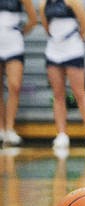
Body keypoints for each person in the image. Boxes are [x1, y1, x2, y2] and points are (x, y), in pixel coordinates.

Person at [39, 0, 85, 148]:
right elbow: (46, 26)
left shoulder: (73, 2)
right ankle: (61, 134)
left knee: (79, 92)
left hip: (73, 49)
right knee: (58, 94)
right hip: (53, 50)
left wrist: (76, 41)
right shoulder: (43, 4)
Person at [0, 0, 36, 146]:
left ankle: (10, 128)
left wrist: (19, 33)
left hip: (13, 44)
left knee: (14, 86)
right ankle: (1, 129)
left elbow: (33, 19)